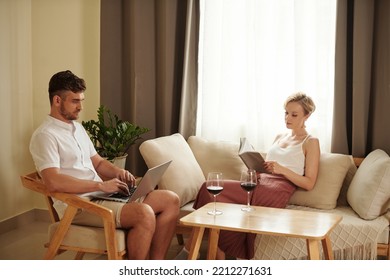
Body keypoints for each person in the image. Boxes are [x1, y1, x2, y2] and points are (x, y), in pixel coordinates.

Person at [29, 70, 180, 260]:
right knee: (144, 213)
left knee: (170, 200)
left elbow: (98, 162)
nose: (80, 107)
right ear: (57, 100)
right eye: (75, 101)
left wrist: (118, 172)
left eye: (81, 100)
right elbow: (53, 181)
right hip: (79, 206)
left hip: (102, 195)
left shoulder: (77, 128)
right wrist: (101, 185)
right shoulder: (45, 135)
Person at [176, 92, 320, 260]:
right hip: (261, 180)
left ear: (307, 116)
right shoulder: (280, 137)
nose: (287, 118)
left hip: (276, 190)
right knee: (209, 188)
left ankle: (195, 250)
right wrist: (257, 164)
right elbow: (269, 167)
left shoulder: (311, 142)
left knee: (213, 193)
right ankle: (219, 253)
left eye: (294, 114)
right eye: (286, 113)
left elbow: (309, 183)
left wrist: (282, 169)